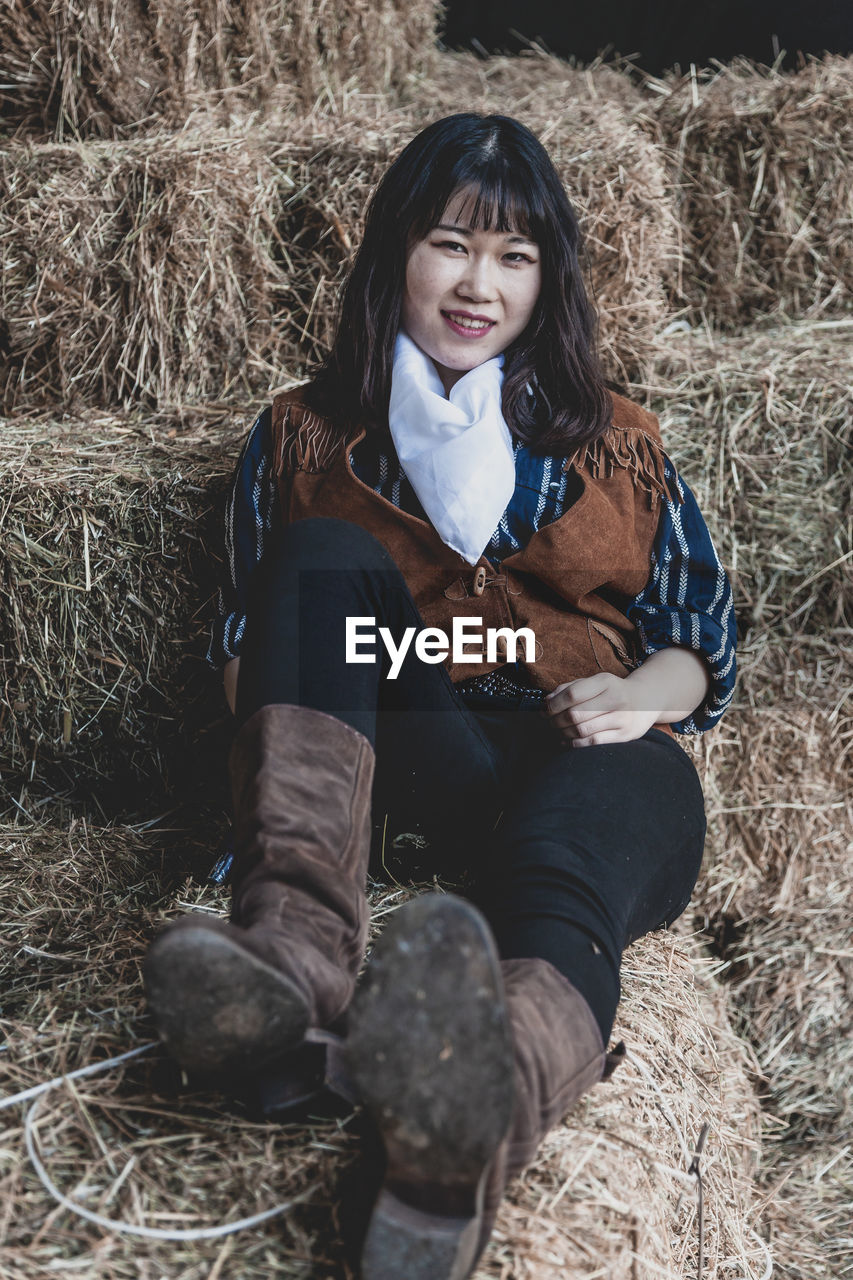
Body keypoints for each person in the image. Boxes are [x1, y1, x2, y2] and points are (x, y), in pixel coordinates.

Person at [145, 114, 736, 1279]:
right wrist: (346, 674)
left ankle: (474, 1110)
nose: (479, 284)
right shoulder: (306, 435)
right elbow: (245, 646)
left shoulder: (620, 443)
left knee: (569, 862)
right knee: (317, 561)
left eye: (514, 257)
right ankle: (291, 964)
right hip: (423, 745)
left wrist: (630, 693)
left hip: (595, 755)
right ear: (394, 255)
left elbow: (701, 647)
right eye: (452, 244)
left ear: (546, 278)